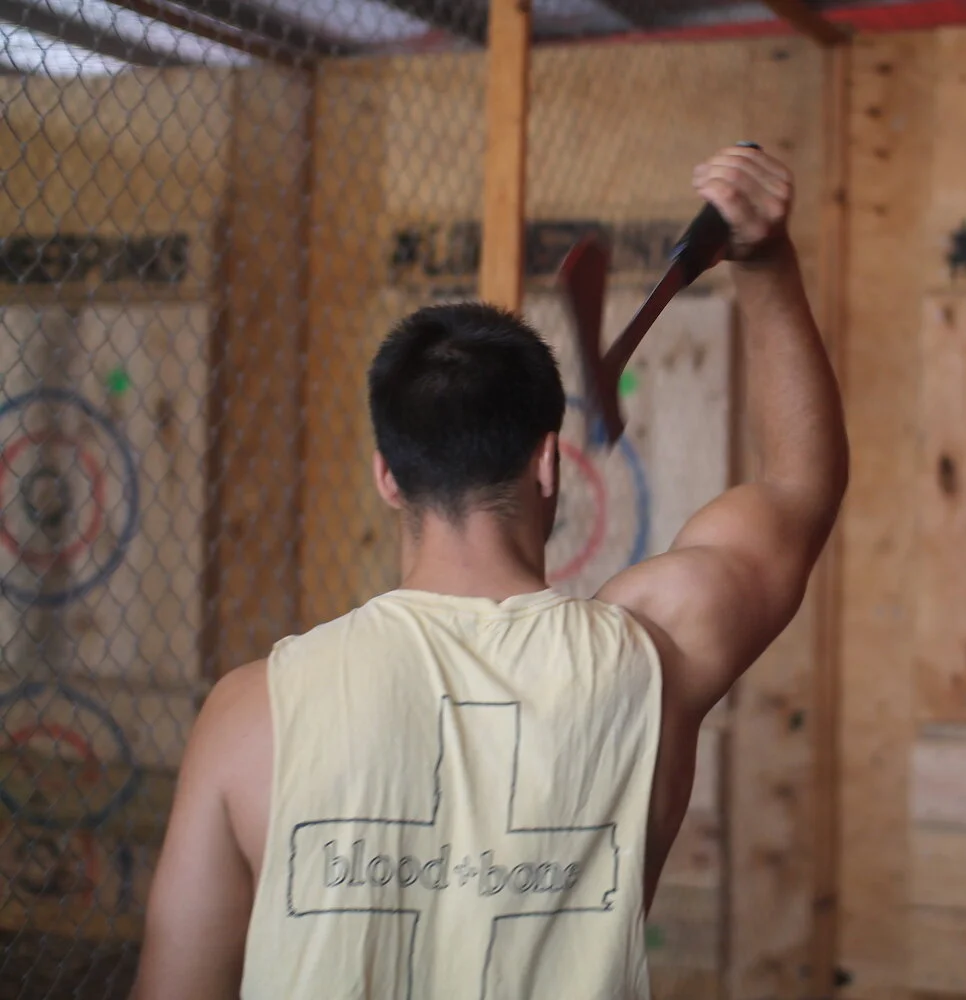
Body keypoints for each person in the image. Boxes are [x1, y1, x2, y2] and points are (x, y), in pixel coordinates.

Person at [130, 145, 847, 999]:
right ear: (548, 463)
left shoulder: (251, 712)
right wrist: (765, 263)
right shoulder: (649, 656)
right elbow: (801, 483)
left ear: (387, 475)